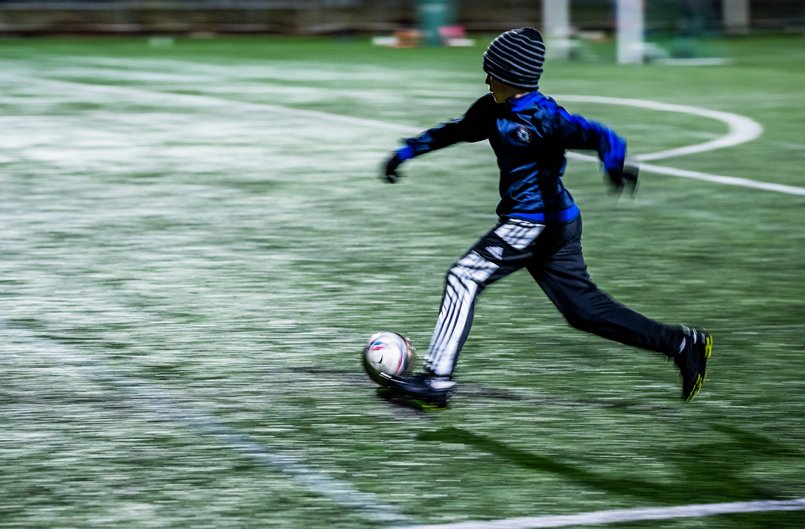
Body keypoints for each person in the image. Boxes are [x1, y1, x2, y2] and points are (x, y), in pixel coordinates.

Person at [377, 28, 712, 408]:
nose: (486, 79)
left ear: (512, 76)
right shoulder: (490, 110)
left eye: (492, 72)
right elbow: (452, 131)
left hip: (537, 223)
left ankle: (436, 381)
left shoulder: (545, 116)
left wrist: (615, 165)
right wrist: (406, 152)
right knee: (584, 312)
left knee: (463, 276)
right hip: (552, 224)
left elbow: (600, 134)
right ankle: (682, 344)